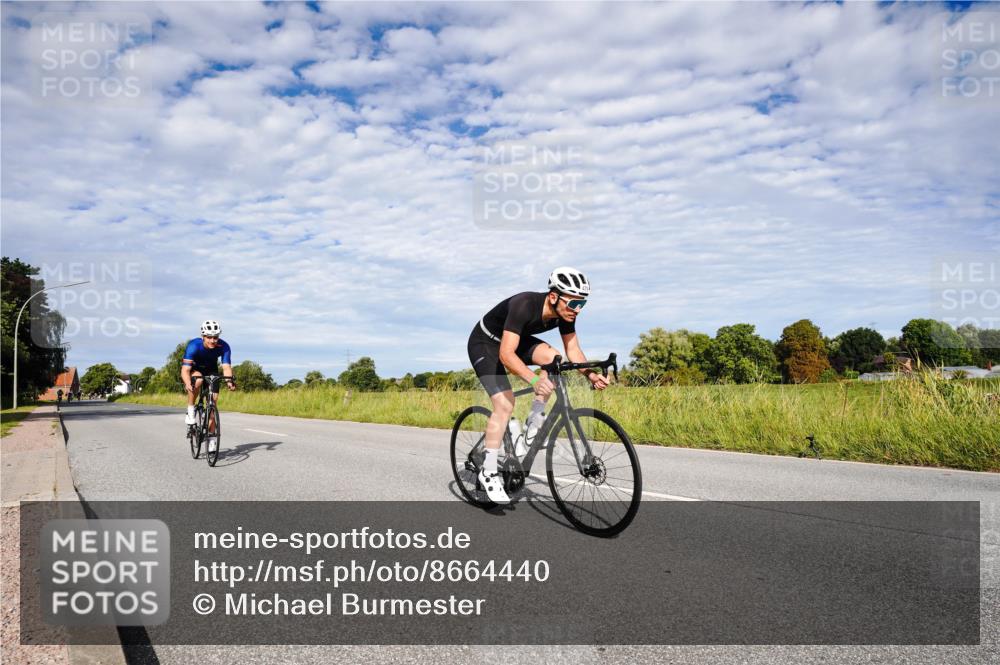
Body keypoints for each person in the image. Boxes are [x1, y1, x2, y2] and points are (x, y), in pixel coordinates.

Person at [467, 267, 609, 503]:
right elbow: (506, 355)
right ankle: (488, 471)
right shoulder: (525, 304)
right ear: (553, 297)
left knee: (555, 359)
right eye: (574, 304)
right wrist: (534, 380)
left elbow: (572, 350)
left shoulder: (565, 315)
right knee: (505, 403)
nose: (577, 310)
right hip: (486, 343)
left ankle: (534, 420)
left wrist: (591, 375)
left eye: (582, 305)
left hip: (514, 341)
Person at [181, 321, 236, 449]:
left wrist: (229, 382)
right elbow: (185, 370)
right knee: (198, 381)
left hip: (211, 370)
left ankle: (211, 439)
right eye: (209, 337)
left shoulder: (224, 346)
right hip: (195, 368)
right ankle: (190, 411)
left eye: (215, 337)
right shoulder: (194, 345)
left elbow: (226, 367)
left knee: (212, 406)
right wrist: (188, 382)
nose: (212, 340)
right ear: (203, 336)